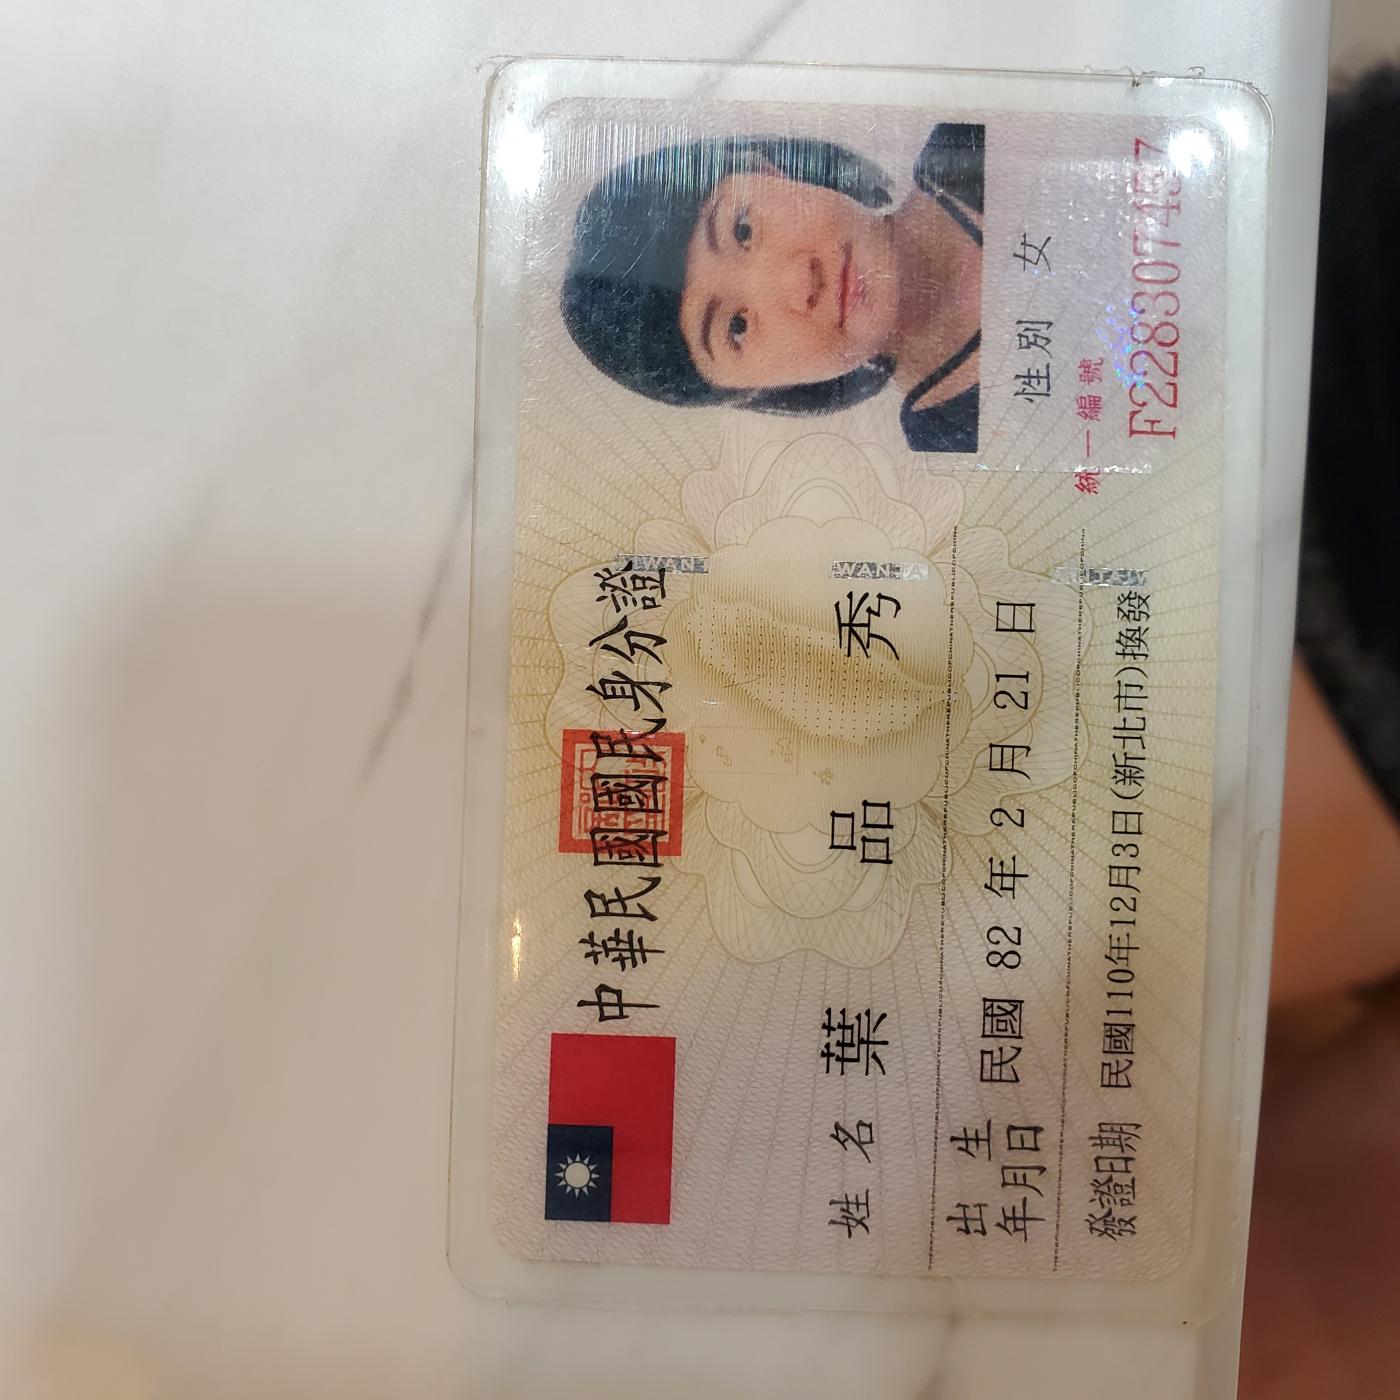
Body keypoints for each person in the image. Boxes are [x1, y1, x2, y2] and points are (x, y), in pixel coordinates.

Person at [561, 126, 985, 453]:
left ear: (766, 171)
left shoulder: (973, 141)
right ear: (756, 388)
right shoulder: (950, 443)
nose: (800, 281)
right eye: (737, 327)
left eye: (742, 230)